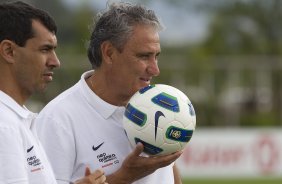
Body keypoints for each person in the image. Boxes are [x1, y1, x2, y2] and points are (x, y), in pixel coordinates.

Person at [35, 2, 183, 184]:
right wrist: (124, 177)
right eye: (144, 56)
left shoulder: (161, 107)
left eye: (156, 56)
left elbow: (168, 174)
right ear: (109, 53)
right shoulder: (57, 120)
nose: (155, 69)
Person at [0, 1, 107, 184]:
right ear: (9, 51)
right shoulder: (5, 127)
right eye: (45, 49)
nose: (55, 62)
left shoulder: (16, 118)